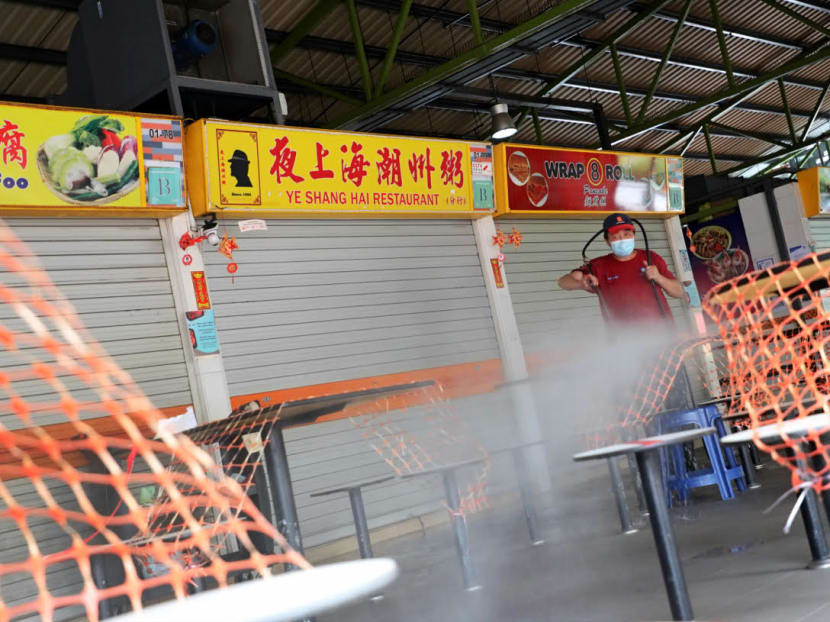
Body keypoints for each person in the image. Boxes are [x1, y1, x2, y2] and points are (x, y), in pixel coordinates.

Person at [557, 212, 683, 324]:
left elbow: (679, 292)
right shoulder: (598, 266)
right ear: (607, 241)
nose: (622, 240)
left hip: (662, 332)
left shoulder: (651, 258)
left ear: (634, 236)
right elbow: (563, 282)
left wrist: (659, 278)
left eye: (627, 234)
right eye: (615, 236)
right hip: (622, 339)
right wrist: (581, 284)